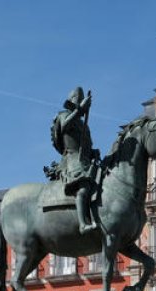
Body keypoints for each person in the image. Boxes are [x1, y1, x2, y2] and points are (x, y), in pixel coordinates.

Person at [50, 86, 100, 235]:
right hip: (71, 158)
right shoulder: (64, 115)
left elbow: (87, 145)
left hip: (84, 159)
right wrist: (80, 110)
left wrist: (93, 152)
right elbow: (65, 127)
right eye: (79, 100)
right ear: (73, 101)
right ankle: (83, 224)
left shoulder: (83, 124)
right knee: (83, 187)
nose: (82, 103)